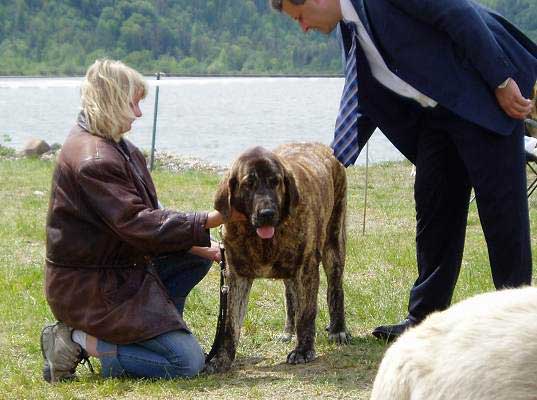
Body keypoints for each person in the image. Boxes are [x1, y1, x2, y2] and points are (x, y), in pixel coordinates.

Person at [270, 0, 537, 340]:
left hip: (481, 98)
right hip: (436, 120)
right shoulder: (349, 32)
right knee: (434, 214)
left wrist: (501, 80)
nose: (303, 27)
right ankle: (424, 320)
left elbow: (457, 13)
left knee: (503, 219)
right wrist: (331, 159)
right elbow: (363, 95)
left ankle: (517, 324)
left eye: (300, 17)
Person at [41, 59, 244, 383]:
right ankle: (75, 340)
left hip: (118, 270)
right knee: (186, 363)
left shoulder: (117, 148)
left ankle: (158, 334)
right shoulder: (94, 159)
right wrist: (210, 219)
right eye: (133, 103)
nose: (138, 113)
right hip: (91, 289)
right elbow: (136, 222)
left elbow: (147, 212)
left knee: (194, 259)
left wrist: (195, 242)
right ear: (111, 101)